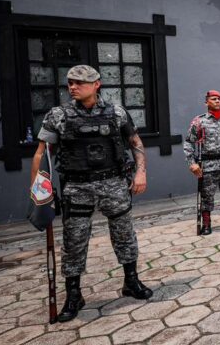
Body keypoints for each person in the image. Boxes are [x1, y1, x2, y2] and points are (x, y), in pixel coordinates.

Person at [30, 65, 152, 322]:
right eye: (70, 83)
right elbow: (43, 153)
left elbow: (136, 144)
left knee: (124, 235)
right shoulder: (58, 115)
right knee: (74, 242)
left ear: (96, 84)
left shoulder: (116, 112)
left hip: (114, 183)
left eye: (80, 82)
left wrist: (141, 173)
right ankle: (74, 294)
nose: (73, 87)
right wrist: (38, 189)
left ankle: (131, 281)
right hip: (77, 187)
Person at [185, 90, 220, 235]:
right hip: (208, 164)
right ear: (206, 102)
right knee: (207, 194)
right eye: (213, 99)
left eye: (219, 99)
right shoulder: (199, 121)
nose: (217, 101)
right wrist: (192, 162)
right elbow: (188, 142)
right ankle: (207, 222)